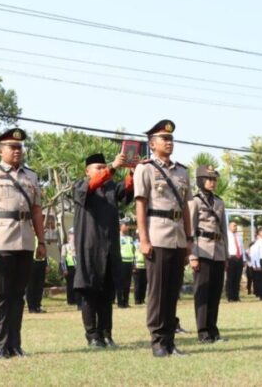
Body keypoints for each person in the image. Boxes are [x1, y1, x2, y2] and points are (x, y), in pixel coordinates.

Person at [0, 127, 46, 359]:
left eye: (19, 147)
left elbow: (36, 211)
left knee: (18, 296)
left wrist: (41, 241)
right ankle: (1, 346)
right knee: (0, 296)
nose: (17, 151)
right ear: (0, 150)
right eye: (12, 147)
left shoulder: (31, 176)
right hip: (0, 241)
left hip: (25, 241)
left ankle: (15, 344)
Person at [134, 119, 193, 358]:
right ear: (152, 143)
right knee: (158, 292)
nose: (169, 143)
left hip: (178, 237)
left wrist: (189, 239)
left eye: (171, 139)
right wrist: (144, 239)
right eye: (164, 139)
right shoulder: (145, 168)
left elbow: (186, 208)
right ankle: (158, 341)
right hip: (157, 235)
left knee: (172, 292)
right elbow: (140, 205)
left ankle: (170, 340)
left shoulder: (182, 171)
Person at [73, 152, 133, 348]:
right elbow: (92, 185)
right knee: (90, 293)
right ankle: (92, 335)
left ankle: (106, 333)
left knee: (107, 294)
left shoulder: (110, 188)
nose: (102, 170)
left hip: (109, 248)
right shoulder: (80, 186)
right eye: (97, 167)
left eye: (103, 166)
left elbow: (127, 191)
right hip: (89, 248)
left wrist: (133, 171)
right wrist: (112, 168)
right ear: (87, 171)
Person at [189, 165, 228, 344]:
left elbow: (224, 230)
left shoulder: (219, 202)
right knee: (202, 293)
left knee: (215, 293)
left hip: (218, 251)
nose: (212, 182)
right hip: (202, 249)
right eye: (208, 179)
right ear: (200, 180)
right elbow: (190, 229)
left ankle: (213, 330)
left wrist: (226, 255)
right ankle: (203, 332)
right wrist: (192, 255)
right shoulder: (194, 201)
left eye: (214, 179)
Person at [26, 234, 49, 314]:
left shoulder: (41, 239)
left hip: (41, 262)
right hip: (31, 262)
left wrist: (47, 264)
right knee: (31, 286)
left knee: (39, 286)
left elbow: (45, 252)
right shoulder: (29, 237)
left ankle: (38, 305)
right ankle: (31, 307)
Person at [116, 218, 135, 308]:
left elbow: (133, 251)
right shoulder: (117, 238)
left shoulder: (130, 238)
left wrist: (134, 263)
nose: (127, 227)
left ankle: (126, 302)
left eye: (128, 225)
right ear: (120, 226)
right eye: (125, 225)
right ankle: (120, 302)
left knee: (127, 283)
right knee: (120, 283)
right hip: (121, 262)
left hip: (129, 262)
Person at [225, 221, 245, 302]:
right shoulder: (226, 235)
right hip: (231, 257)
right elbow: (225, 247)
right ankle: (230, 296)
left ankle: (236, 296)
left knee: (237, 278)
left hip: (239, 258)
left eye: (236, 226)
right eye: (234, 226)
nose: (235, 227)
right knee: (230, 278)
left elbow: (242, 247)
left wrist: (244, 259)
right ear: (229, 226)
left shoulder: (239, 235)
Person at [61, 228, 79, 307]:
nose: (74, 236)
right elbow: (63, 259)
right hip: (70, 268)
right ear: (69, 236)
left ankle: (77, 299)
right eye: (72, 234)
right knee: (70, 285)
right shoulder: (65, 246)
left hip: (77, 268)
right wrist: (64, 269)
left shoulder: (78, 246)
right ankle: (70, 300)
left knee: (77, 285)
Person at [133, 230, 147, 305]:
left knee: (143, 284)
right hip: (137, 267)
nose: (139, 235)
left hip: (145, 267)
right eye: (138, 234)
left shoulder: (145, 243)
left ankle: (142, 299)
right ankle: (137, 300)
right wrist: (133, 266)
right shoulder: (134, 243)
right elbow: (132, 254)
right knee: (137, 285)